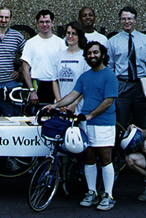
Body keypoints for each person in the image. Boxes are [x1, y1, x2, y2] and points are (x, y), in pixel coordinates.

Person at [43, 41, 118, 211]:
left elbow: (108, 101)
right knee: (89, 158)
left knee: (106, 159)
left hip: (104, 124)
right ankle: (91, 192)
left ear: (103, 55)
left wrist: (91, 115)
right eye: (89, 53)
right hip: (85, 123)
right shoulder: (85, 77)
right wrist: (55, 105)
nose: (92, 56)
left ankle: (108, 195)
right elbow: (73, 95)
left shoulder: (109, 75)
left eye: (96, 52)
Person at [107, 6, 146, 130]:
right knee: (121, 121)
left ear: (135, 20)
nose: (127, 22)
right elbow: (110, 66)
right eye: (123, 19)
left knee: (143, 119)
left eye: (129, 18)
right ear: (120, 21)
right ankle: (120, 148)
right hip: (122, 84)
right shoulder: (112, 42)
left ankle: (143, 147)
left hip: (141, 84)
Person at [21, 9, 66, 111]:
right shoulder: (31, 43)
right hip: (37, 85)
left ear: (53, 23)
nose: (44, 25)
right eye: (41, 22)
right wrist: (32, 90)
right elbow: (25, 67)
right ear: (37, 23)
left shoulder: (60, 43)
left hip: (56, 86)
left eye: (47, 22)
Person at [52, 21, 90, 114]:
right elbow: (54, 80)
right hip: (60, 106)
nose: (70, 36)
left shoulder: (85, 57)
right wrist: (59, 102)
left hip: (79, 106)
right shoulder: (58, 56)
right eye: (68, 33)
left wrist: (74, 104)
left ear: (80, 36)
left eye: (74, 34)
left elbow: (86, 85)